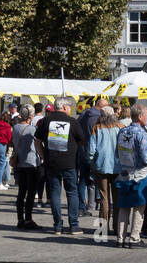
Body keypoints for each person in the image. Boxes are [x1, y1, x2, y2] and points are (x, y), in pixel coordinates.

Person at [36, 96, 86, 236]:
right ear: (64, 107)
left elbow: (37, 141)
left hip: (51, 162)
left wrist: (43, 156)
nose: (70, 109)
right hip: (69, 163)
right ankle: (74, 225)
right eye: (70, 107)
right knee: (72, 192)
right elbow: (82, 140)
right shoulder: (72, 122)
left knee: (55, 194)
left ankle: (57, 226)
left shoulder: (46, 120)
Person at [115, 102, 147, 248]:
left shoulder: (122, 131)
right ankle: (134, 237)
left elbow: (116, 153)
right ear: (140, 116)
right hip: (139, 174)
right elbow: (145, 158)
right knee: (139, 206)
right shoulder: (141, 133)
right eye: (146, 114)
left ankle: (120, 238)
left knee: (124, 207)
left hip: (124, 172)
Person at [87, 109, 121, 235]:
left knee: (104, 198)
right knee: (117, 199)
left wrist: (92, 163)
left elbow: (91, 150)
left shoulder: (97, 128)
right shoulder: (120, 127)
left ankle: (102, 229)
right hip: (117, 166)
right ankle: (118, 227)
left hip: (101, 166)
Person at [11, 104, 44, 231]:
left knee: (21, 192)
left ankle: (20, 219)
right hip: (31, 163)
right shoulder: (32, 129)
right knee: (30, 192)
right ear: (30, 116)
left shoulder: (15, 127)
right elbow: (38, 143)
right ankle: (28, 219)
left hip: (19, 163)